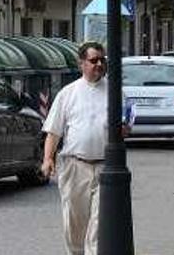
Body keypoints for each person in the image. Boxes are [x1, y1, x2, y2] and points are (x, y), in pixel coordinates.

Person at [41, 41, 111, 255]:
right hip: (75, 165)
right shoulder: (68, 93)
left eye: (102, 59)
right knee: (75, 224)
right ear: (82, 63)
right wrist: (48, 159)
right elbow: (54, 131)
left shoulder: (114, 91)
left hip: (105, 167)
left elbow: (125, 123)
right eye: (93, 60)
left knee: (99, 225)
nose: (99, 64)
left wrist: (125, 129)